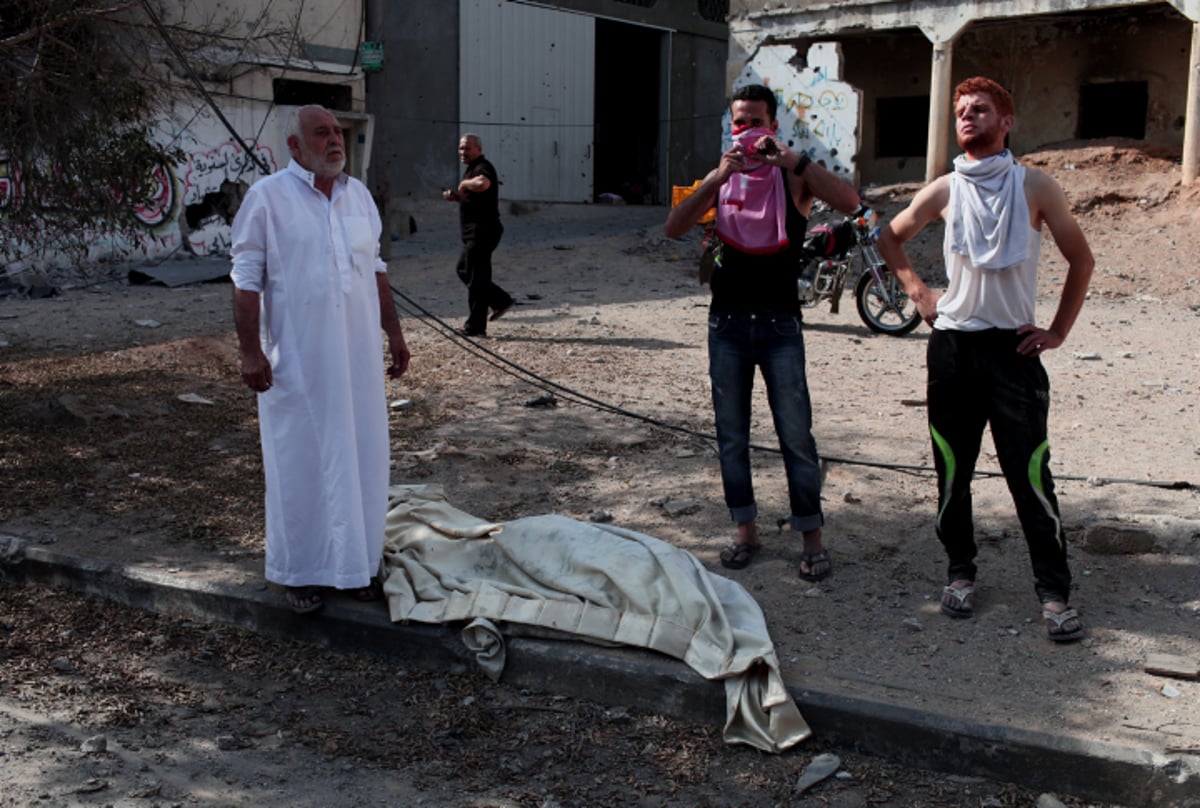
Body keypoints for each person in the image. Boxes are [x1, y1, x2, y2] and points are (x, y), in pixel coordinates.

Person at [876, 77, 1094, 642]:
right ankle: (960, 573)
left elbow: (1082, 258)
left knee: (1030, 474)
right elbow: (890, 237)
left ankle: (1053, 592)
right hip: (953, 348)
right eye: (961, 112)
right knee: (953, 470)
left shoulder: (1035, 186)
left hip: (1014, 351)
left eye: (981, 110)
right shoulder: (945, 189)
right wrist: (919, 293)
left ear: (1007, 121)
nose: (968, 118)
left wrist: (1058, 331)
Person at [664, 84, 864, 580]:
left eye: (756, 121)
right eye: (739, 121)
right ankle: (744, 530)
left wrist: (791, 161)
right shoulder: (722, 178)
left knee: (796, 434)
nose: (747, 130)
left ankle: (811, 538)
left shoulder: (792, 178)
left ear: (773, 126)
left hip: (779, 326)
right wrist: (718, 176)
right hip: (727, 325)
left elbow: (849, 201)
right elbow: (674, 227)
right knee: (731, 436)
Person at [230, 104, 410, 615]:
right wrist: (250, 350)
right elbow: (245, 279)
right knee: (301, 461)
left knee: (362, 456)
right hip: (298, 361)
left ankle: (355, 567)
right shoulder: (267, 199)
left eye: (338, 132)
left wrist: (393, 332)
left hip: (357, 362)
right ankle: (301, 572)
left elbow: (374, 268)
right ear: (294, 146)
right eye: (321, 133)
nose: (335, 141)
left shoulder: (359, 198)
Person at [442, 133, 514, 337]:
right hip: (476, 232)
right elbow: (476, 198)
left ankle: (476, 324)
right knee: (473, 274)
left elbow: (483, 184)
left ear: (479, 150)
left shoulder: (483, 167)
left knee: (469, 272)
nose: (463, 152)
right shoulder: (471, 170)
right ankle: (499, 302)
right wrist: (457, 197)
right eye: (461, 148)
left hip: (483, 232)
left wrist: (464, 185)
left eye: (467, 148)